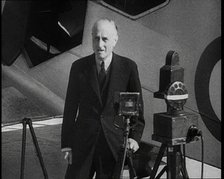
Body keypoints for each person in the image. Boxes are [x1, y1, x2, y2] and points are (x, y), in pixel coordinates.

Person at [61, 18, 145, 179]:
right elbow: (70, 109)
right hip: (82, 144)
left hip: (112, 145)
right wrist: (66, 145)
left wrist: (135, 138)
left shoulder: (128, 68)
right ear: (91, 39)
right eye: (96, 38)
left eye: (105, 39)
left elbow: (138, 108)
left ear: (115, 40)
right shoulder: (79, 67)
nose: (100, 45)